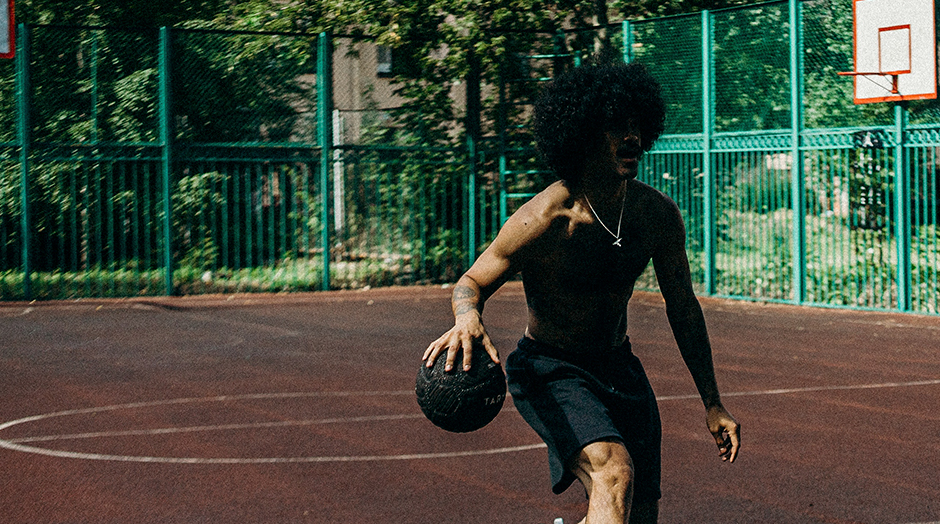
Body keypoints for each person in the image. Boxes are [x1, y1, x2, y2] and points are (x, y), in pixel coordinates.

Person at [423, 63, 740, 524]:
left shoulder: (656, 217)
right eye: (615, 126)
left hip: (620, 370)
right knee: (613, 475)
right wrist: (467, 317)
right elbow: (470, 281)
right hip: (551, 371)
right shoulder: (545, 217)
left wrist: (712, 403)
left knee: (638, 514)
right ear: (582, 134)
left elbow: (684, 309)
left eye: (636, 125)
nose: (631, 137)